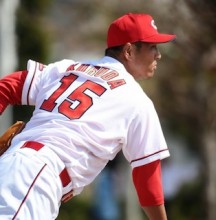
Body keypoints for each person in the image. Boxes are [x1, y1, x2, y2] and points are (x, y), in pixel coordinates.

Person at [0, 13, 176, 220]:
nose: (158, 55)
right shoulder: (136, 100)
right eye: (152, 47)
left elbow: (7, 87)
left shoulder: (67, 68)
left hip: (16, 167)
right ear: (129, 50)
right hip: (35, 179)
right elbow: (148, 181)